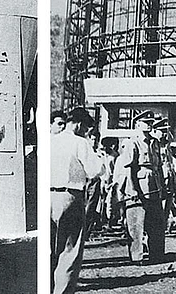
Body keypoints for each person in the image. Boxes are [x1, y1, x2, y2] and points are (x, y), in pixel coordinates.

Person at [50, 107, 103, 294]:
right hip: (70, 197)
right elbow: (95, 171)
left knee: (49, 250)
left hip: (47, 196)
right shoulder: (79, 142)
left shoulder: (51, 140)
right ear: (79, 124)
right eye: (86, 128)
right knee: (69, 251)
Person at [118, 113, 165, 263]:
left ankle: (157, 255)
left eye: (151, 122)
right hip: (139, 189)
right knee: (136, 224)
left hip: (154, 188)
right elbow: (129, 169)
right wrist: (133, 191)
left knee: (157, 223)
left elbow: (159, 167)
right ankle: (137, 256)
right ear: (138, 124)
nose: (149, 125)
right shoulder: (133, 143)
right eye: (146, 122)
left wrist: (162, 187)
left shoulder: (155, 143)